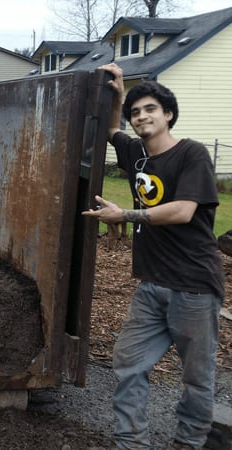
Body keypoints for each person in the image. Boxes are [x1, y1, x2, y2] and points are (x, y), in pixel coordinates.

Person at [82, 63, 224, 450]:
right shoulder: (136, 154)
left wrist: (125, 214)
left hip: (193, 287)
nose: (141, 116)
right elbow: (114, 130)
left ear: (168, 115)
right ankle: (131, 443)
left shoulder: (191, 154)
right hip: (151, 286)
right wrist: (118, 94)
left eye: (149, 110)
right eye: (136, 112)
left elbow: (182, 211)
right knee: (129, 362)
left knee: (196, 376)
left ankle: (189, 443)